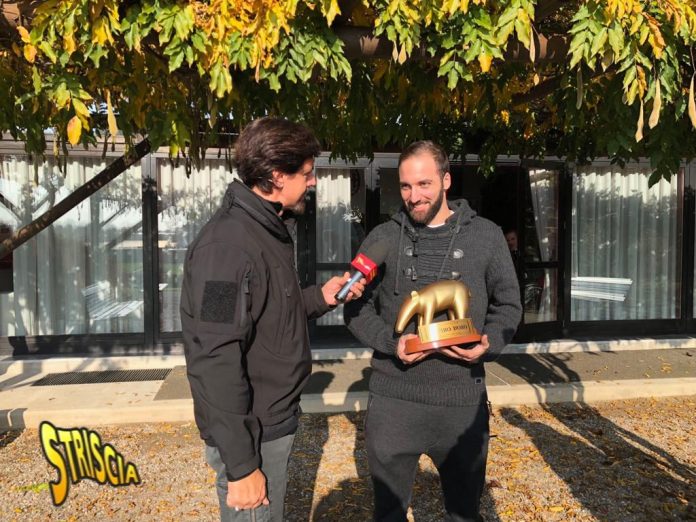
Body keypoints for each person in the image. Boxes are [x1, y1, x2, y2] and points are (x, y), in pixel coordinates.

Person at [180, 117, 365, 522]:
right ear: (278, 176)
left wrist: (321, 297)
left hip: (271, 421)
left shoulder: (265, 230)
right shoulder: (227, 248)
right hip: (253, 432)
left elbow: (268, 312)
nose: (313, 182)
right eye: (307, 172)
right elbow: (214, 358)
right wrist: (242, 466)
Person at [345, 140, 521, 521]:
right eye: (406, 186)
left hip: (461, 403)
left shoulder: (486, 235)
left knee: (464, 514)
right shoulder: (382, 237)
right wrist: (391, 343)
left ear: (446, 180)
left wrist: (490, 343)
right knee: (388, 514)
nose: (414, 196)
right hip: (393, 403)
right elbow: (354, 309)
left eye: (424, 184)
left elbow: (509, 305)